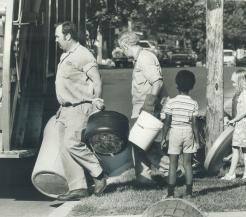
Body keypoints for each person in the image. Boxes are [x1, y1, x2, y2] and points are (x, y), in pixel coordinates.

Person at [54, 21, 107, 201]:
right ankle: (78, 187)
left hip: (81, 106)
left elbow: (97, 81)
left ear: (68, 36)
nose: (56, 40)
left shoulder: (83, 55)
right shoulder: (66, 55)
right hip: (66, 108)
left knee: (72, 143)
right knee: (64, 147)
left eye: (58, 36)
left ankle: (98, 174)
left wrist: (97, 102)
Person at [118, 31, 169, 184]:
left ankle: (172, 171)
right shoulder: (140, 58)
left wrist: (149, 104)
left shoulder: (145, 58)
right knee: (138, 143)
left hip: (147, 108)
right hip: (141, 107)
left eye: (122, 48)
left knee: (145, 144)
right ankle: (144, 179)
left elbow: (157, 82)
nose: (122, 51)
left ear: (126, 45)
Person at [161, 70, 200, 199]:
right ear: (192, 86)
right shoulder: (193, 103)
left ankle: (170, 193)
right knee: (187, 164)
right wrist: (198, 140)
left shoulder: (171, 102)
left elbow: (167, 122)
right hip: (188, 131)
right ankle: (189, 192)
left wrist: (163, 137)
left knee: (173, 164)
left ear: (177, 85)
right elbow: (195, 124)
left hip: (175, 132)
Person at [221, 69, 246, 181]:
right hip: (243, 122)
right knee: (242, 149)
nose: (233, 84)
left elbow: (245, 111)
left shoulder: (245, 93)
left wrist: (233, 120)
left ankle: (233, 174)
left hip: (243, 122)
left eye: (234, 82)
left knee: (237, 148)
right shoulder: (244, 93)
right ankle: (244, 174)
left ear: (241, 81)